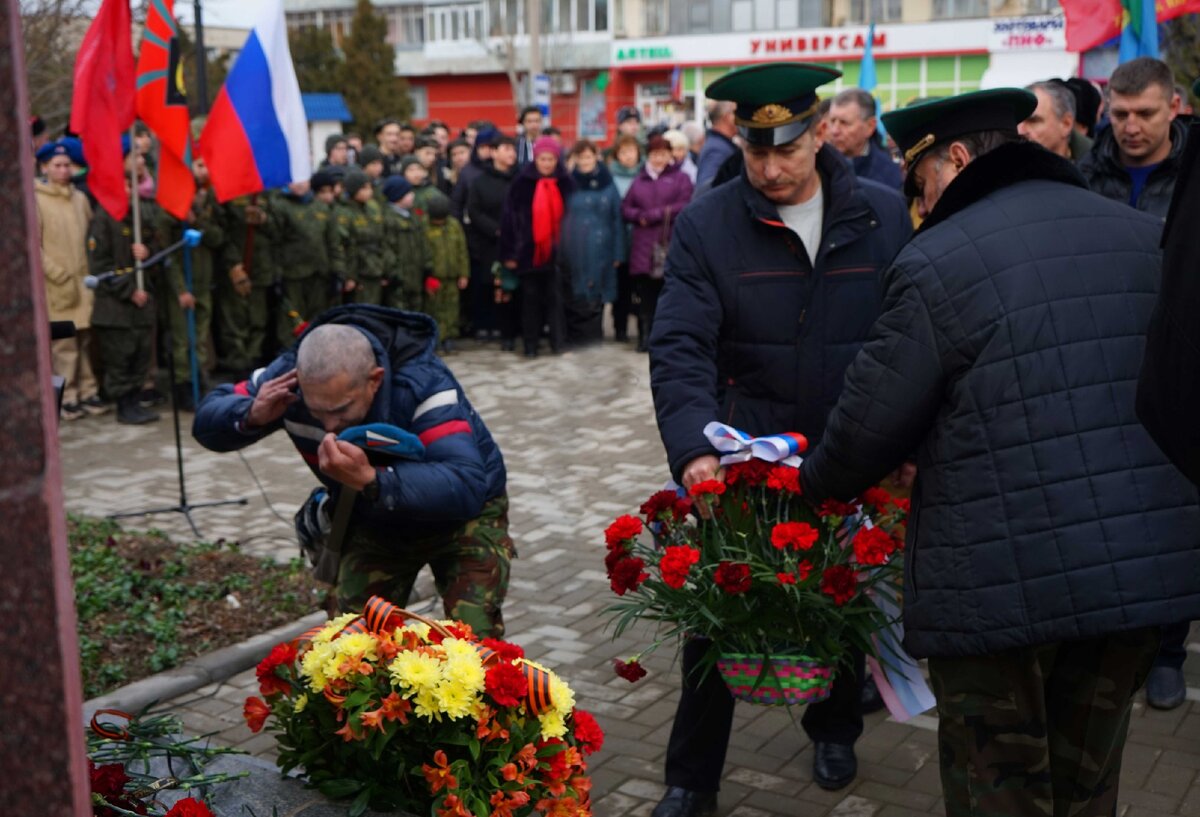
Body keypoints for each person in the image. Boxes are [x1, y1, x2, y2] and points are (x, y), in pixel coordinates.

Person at [798, 87, 1200, 817]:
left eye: (921, 185)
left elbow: (863, 432)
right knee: (1088, 784)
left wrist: (811, 484)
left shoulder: (938, 260)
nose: (920, 206)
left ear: (956, 159)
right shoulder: (1144, 234)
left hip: (996, 589)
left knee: (1001, 792)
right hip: (1131, 577)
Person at [647, 64, 911, 817]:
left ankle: (834, 729)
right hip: (746, 460)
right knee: (717, 612)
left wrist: (900, 439)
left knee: (839, 600)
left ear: (821, 133)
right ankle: (691, 778)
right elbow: (680, 345)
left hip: (847, 447)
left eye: (786, 150)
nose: (769, 169)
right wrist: (696, 448)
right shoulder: (708, 223)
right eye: (755, 151)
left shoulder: (881, 214)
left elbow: (906, 335)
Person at [192, 305, 515, 633]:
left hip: (464, 517)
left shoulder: (423, 383)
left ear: (375, 379)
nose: (329, 426)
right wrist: (250, 414)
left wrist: (373, 479)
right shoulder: (286, 377)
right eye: (317, 412)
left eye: (341, 409)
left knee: (474, 643)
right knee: (351, 644)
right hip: (377, 516)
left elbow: (465, 482)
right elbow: (207, 418)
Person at [34, 141, 106, 420]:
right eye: (57, 165)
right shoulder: (37, 200)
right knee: (64, 346)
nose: (64, 170)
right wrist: (55, 273)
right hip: (57, 284)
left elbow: (90, 238)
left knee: (85, 340)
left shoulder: (79, 199)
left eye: (67, 165)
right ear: (44, 168)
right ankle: (67, 396)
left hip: (82, 281)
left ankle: (88, 390)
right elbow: (34, 246)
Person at [88, 174, 165, 425]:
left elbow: (156, 247)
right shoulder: (103, 218)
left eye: (130, 185)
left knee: (140, 356)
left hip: (141, 306)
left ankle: (135, 401)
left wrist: (147, 252)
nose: (128, 190)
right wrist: (129, 291)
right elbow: (100, 265)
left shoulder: (137, 216)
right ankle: (124, 405)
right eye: (122, 185)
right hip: (116, 308)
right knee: (120, 359)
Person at [1080, 57, 1184, 219]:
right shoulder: (1082, 177)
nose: (1131, 129)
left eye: (1145, 114)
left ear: (1173, 108)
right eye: (1120, 114)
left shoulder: (1192, 179)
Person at [499, 135, 574, 357]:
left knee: (556, 300)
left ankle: (558, 343)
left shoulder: (567, 184)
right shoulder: (522, 183)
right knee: (529, 301)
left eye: (551, 159)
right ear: (536, 159)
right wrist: (510, 253)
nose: (547, 164)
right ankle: (530, 344)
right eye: (543, 159)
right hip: (528, 253)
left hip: (558, 254)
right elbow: (509, 220)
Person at [164, 155, 226, 411]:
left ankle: (199, 380)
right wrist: (181, 289)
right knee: (183, 341)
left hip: (203, 282)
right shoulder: (169, 211)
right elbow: (169, 255)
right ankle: (183, 386)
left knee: (199, 338)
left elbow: (217, 238)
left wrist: (197, 220)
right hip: (183, 287)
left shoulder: (207, 206)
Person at [623, 135, 693, 353]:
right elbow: (626, 208)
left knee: (668, 293)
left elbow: (686, 205)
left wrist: (657, 214)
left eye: (663, 154)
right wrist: (639, 216)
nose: (659, 159)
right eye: (654, 154)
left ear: (670, 155)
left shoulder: (681, 178)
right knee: (645, 294)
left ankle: (667, 336)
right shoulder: (639, 180)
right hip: (643, 246)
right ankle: (644, 335)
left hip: (669, 243)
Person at [561, 139, 624, 346]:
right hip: (575, 246)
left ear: (596, 157)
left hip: (602, 246)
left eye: (588, 156)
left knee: (598, 292)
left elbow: (617, 218)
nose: (585, 161)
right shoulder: (568, 183)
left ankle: (595, 337)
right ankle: (577, 338)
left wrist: (618, 252)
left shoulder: (608, 182)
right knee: (576, 292)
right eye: (581, 157)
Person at [272, 177, 345, 344]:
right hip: (292, 275)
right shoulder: (280, 207)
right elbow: (275, 244)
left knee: (318, 320)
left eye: (303, 180)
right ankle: (291, 354)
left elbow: (333, 243)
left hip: (319, 274)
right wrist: (276, 274)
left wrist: (338, 271)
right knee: (292, 321)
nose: (300, 184)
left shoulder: (322, 208)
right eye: (295, 180)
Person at [467, 135, 518, 349]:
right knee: (491, 284)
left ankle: (511, 331)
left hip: (517, 242)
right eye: (506, 149)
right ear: (494, 152)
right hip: (489, 241)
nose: (511, 153)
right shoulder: (480, 181)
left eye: (513, 149)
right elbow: (474, 210)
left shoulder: (520, 179)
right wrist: (495, 229)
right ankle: (488, 326)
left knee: (514, 287)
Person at [218, 193, 276, 374]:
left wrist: (263, 219)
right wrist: (233, 264)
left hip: (262, 268)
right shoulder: (226, 192)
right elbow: (220, 233)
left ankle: (254, 364)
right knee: (235, 323)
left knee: (258, 321)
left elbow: (280, 230)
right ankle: (238, 365)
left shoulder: (267, 194)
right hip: (235, 266)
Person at [827, 88, 902, 190]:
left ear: (870, 126)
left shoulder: (890, 176)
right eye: (832, 121)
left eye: (844, 123)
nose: (834, 131)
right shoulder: (816, 165)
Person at [423, 195, 469, 352]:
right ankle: (436, 338)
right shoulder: (424, 226)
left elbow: (462, 250)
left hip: (452, 276)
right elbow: (422, 253)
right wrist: (426, 275)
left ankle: (450, 336)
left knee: (452, 308)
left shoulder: (454, 225)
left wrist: (464, 274)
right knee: (434, 308)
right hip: (434, 277)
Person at [607, 134, 641, 343]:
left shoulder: (645, 175)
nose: (628, 156)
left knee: (641, 287)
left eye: (631, 151)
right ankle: (619, 327)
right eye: (623, 152)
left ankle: (643, 329)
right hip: (619, 239)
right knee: (621, 286)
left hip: (642, 240)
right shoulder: (611, 178)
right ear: (617, 155)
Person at [381, 175, 432, 313]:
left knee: (417, 312)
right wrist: (393, 273)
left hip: (416, 276)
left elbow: (423, 243)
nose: (412, 196)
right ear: (398, 196)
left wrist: (427, 265)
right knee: (400, 314)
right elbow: (387, 249)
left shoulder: (413, 217)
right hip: (400, 280)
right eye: (408, 193)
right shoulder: (389, 219)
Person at [340, 170, 391, 305]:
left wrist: (386, 270)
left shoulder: (373, 207)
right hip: (359, 270)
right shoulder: (344, 212)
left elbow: (383, 238)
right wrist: (350, 276)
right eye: (364, 188)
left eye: (369, 187)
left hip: (376, 266)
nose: (369, 191)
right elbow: (346, 246)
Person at [1018, 81, 1084, 160]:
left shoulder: (1092, 164)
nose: (1020, 131)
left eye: (1033, 121)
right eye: (1017, 121)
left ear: (1066, 124)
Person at [694, 100, 738, 192]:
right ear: (727, 117)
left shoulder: (718, 144)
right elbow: (706, 188)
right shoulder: (717, 149)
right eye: (736, 113)